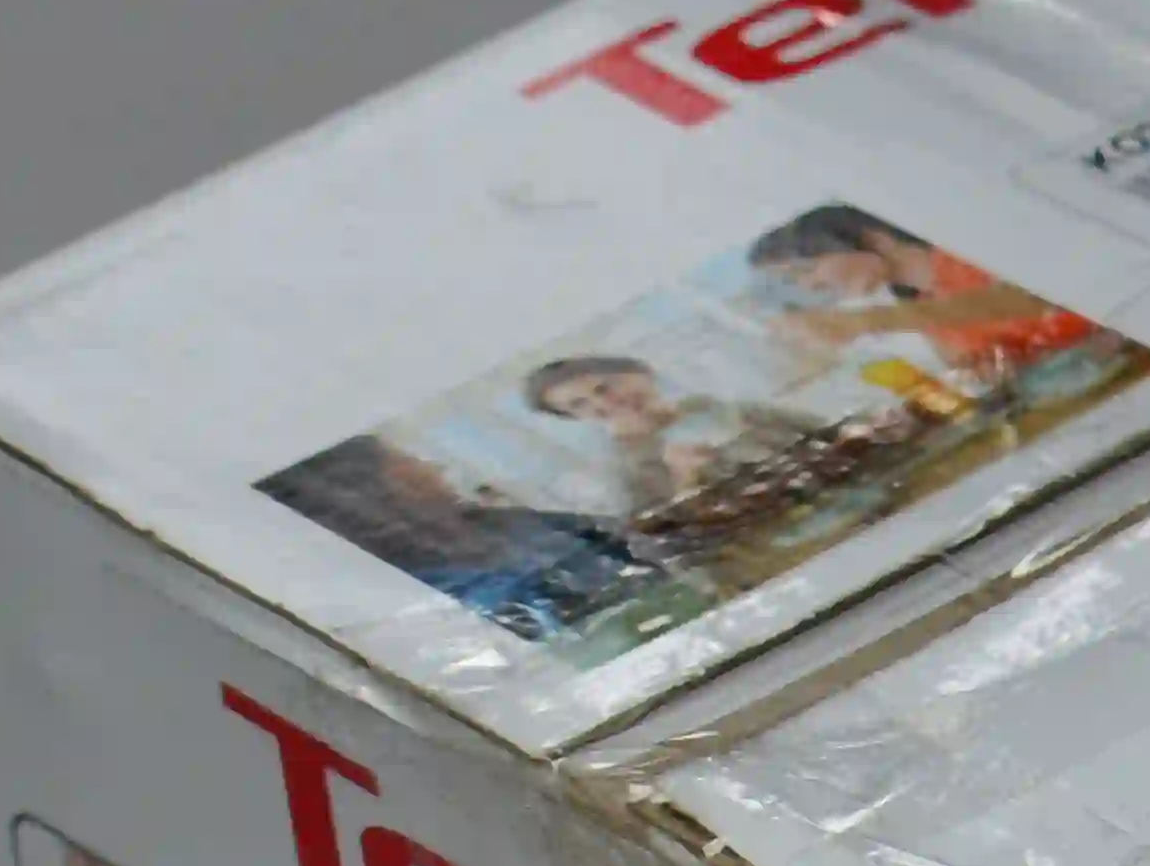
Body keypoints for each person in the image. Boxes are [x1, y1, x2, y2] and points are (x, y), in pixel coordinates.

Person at [261, 433, 663, 645]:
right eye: (409, 462)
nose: (434, 467)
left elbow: (629, 542)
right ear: (385, 491)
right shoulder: (419, 601)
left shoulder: (507, 523)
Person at [745, 205, 1103, 388]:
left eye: (807, 269)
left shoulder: (968, 251)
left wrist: (869, 322)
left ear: (873, 239)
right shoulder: (916, 308)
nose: (810, 287)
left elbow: (1036, 297)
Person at [520, 355, 819, 520]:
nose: (604, 403)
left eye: (604, 387)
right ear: (574, 418)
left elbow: (822, 430)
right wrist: (685, 480)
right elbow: (666, 539)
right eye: (579, 405)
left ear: (638, 375)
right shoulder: (622, 471)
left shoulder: (717, 407)